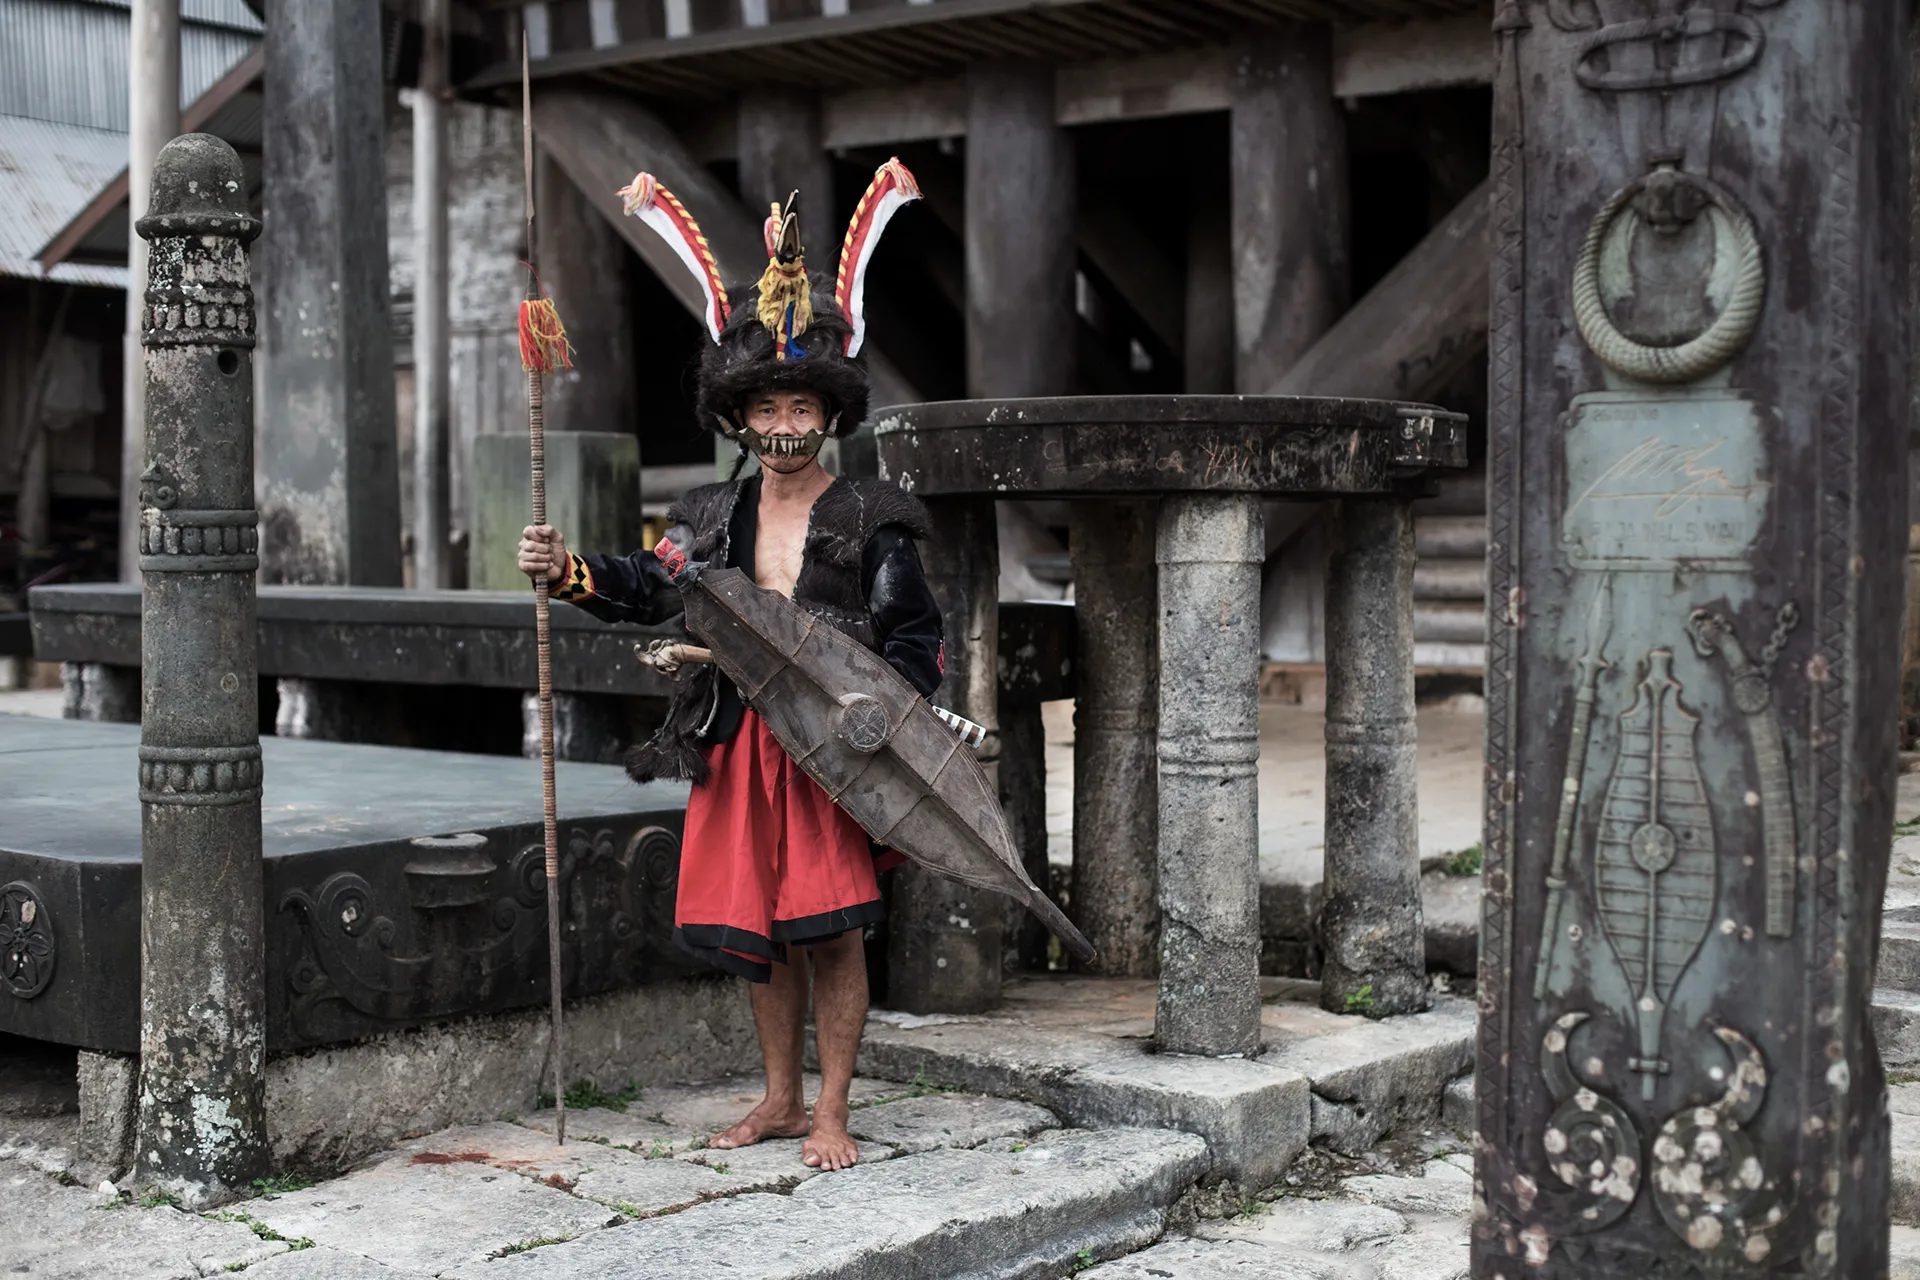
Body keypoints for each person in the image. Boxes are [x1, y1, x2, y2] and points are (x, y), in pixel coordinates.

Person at [517, 181, 940, 1173]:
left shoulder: (875, 514)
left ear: (826, 413)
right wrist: (569, 571)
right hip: (738, 736)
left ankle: (834, 1105)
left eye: (801, 404)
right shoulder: (712, 515)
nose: (786, 422)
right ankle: (782, 1097)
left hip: (834, 743)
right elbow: (653, 584)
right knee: (764, 929)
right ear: (742, 419)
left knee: (833, 932)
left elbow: (914, 637)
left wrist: (890, 719)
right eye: (768, 407)